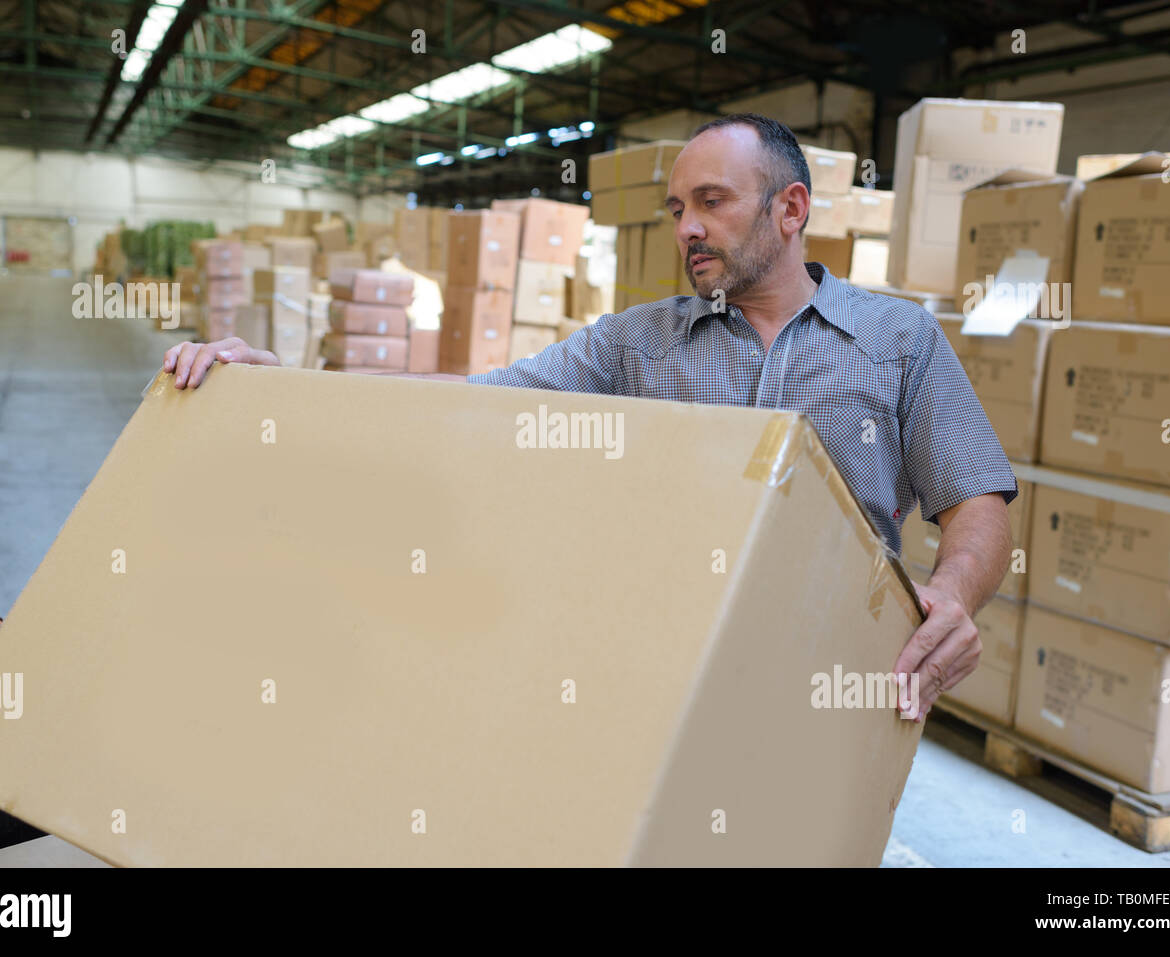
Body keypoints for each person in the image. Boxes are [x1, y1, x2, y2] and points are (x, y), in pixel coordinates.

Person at [164, 112, 1017, 722]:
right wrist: (285, 384)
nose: (687, 227)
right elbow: (474, 399)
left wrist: (949, 593)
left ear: (789, 210)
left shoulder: (896, 339)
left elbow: (973, 495)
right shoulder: (635, 345)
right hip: (665, 668)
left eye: (712, 202)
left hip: (842, 676)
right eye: (677, 209)